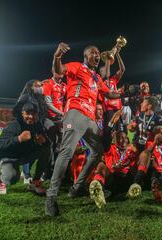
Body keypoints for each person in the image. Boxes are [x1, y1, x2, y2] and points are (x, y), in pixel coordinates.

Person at [45, 43, 122, 217]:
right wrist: (57, 57)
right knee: (67, 152)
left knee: (98, 151)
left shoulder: (96, 77)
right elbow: (59, 70)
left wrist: (127, 93)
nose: (97, 55)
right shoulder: (77, 66)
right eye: (93, 53)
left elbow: (110, 94)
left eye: (97, 53)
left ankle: (77, 187)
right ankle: (51, 197)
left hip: (90, 118)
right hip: (75, 112)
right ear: (86, 56)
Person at [0, 102, 49, 195]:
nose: (31, 116)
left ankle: (35, 182)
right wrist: (18, 139)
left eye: (33, 114)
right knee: (12, 178)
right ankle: (0, 178)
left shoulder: (37, 125)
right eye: (28, 113)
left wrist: (42, 141)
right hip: (6, 157)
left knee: (46, 148)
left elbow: (41, 141)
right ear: (22, 113)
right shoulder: (14, 125)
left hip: (21, 155)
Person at [99, 50, 125, 131]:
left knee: (120, 132)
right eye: (103, 70)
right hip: (108, 110)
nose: (106, 70)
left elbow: (122, 69)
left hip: (118, 109)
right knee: (110, 132)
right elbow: (106, 74)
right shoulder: (99, 82)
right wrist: (107, 60)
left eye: (107, 69)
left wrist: (117, 54)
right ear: (100, 73)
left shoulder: (113, 80)